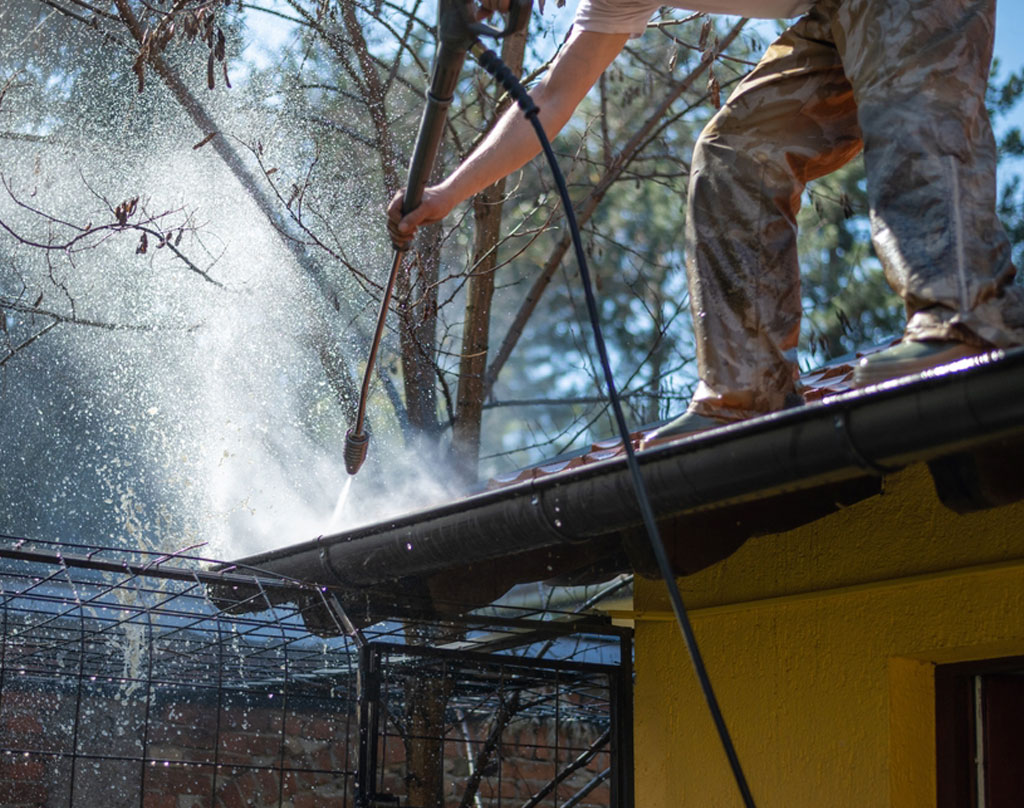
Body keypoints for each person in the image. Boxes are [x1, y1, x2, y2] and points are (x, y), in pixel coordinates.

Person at [388, 0, 1024, 441]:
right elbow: (550, 101)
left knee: (913, 109)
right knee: (735, 153)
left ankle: (966, 317)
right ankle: (747, 392)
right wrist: (447, 192)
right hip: (837, 15)